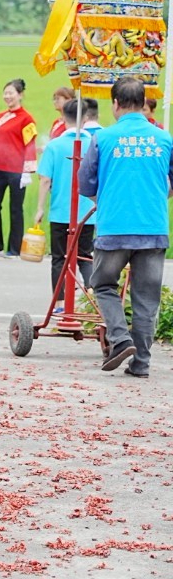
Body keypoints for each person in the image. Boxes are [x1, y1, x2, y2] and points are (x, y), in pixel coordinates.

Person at [79, 77, 173, 378]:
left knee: (104, 283)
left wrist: (105, 198)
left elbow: (85, 182)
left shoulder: (103, 139)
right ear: (144, 103)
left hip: (114, 227)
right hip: (153, 227)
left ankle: (120, 340)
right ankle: (141, 364)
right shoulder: (164, 139)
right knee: (146, 298)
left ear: (115, 103)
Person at [34, 98, 101, 312]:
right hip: (89, 212)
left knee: (59, 259)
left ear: (63, 118)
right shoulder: (95, 143)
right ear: (85, 119)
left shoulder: (54, 146)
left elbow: (45, 180)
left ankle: (60, 303)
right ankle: (93, 298)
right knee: (85, 256)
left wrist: (40, 208)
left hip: (61, 212)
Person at [0, 78, 37, 257]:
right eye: (6, 93)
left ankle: (15, 247)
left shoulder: (26, 119)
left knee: (15, 208)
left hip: (16, 170)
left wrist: (27, 170)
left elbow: (30, 144)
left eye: (11, 93)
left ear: (20, 95)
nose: (8, 96)